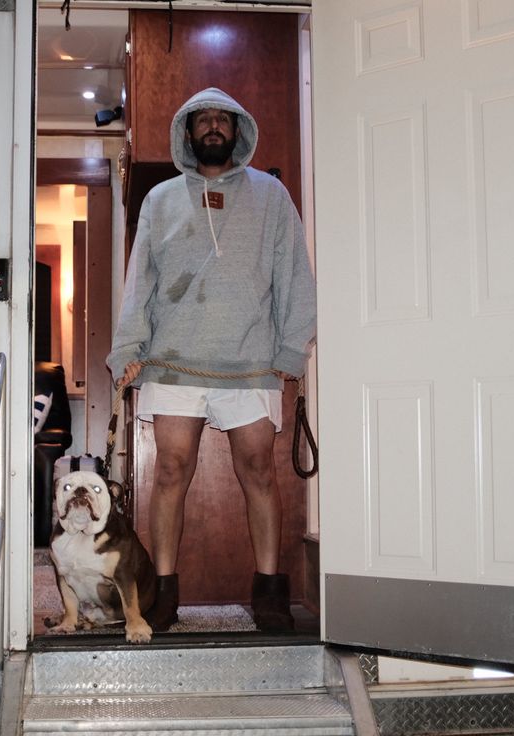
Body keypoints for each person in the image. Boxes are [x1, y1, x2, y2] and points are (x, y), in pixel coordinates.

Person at [106, 88, 316, 633]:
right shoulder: (160, 200)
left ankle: (269, 592)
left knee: (259, 473)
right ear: (189, 132)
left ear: (239, 130)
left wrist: (292, 350)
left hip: (250, 361)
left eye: (224, 119)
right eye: (205, 120)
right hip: (175, 361)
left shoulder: (272, 196)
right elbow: (139, 283)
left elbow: (296, 276)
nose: (215, 127)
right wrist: (129, 349)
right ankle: (165, 594)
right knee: (171, 471)